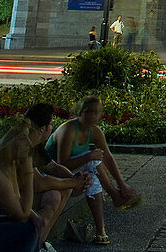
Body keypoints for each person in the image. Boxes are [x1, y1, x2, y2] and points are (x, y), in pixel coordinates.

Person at [45, 94, 141, 245]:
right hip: (54, 173)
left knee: (94, 174)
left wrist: (122, 183)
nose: (92, 116)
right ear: (80, 112)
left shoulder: (94, 131)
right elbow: (62, 164)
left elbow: (108, 158)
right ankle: (114, 196)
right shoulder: (69, 130)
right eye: (88, 112)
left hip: (76, 175)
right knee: (94, 159)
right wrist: (89, 156)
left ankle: (100, 231)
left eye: (96, 112)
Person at [0, 117, 48, 251]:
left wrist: (35, 216)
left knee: (30, 224)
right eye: (22, 138)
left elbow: (17, 199)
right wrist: (28, 172)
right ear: (9, 142)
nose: (29, 143)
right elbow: (22, 214)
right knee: (26, 229)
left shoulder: (7, 163)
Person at [25, 102, 92, 245]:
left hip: (17, 195)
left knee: (63, 188)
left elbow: (52, 167)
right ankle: (34, 243)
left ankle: (40, 242)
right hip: (1, 202)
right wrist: (74, 183)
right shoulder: (24, 144)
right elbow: (38, 183)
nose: (52, 127)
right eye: (51, 124)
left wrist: (75, 179)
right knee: (55, 194)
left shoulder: (36, 144)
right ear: (43, 128)